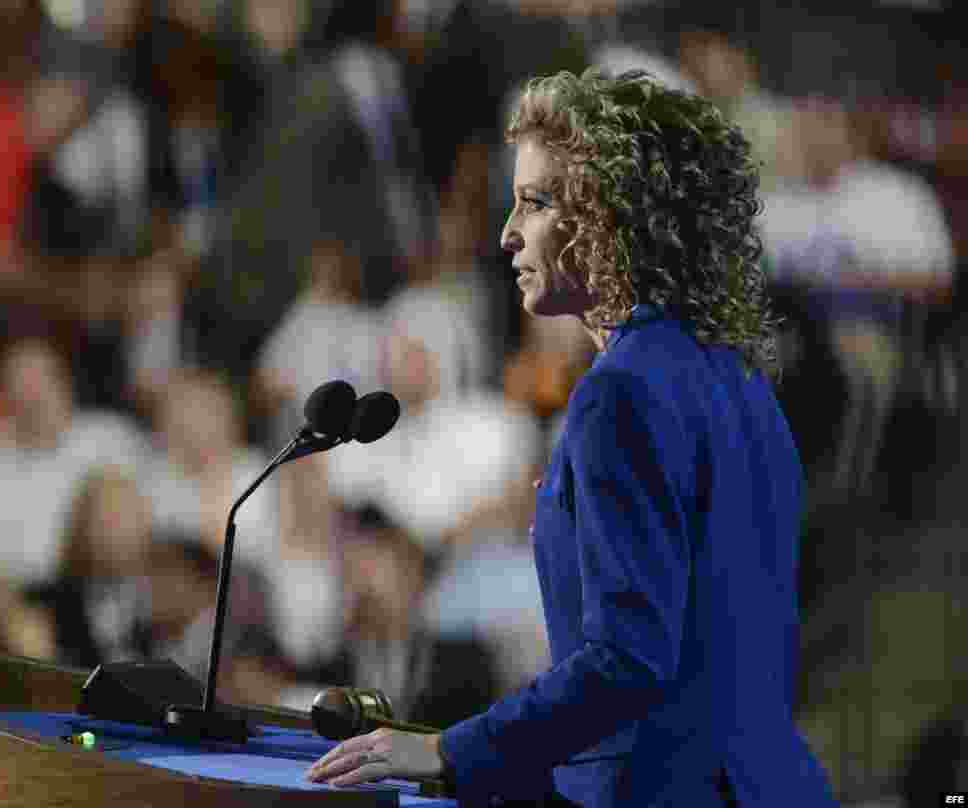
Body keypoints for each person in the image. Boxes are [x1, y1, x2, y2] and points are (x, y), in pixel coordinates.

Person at [306, 68, 839, 807]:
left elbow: (628, 660)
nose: (507, 233)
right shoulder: (739, 380)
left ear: (609, 214)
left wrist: (444, 748)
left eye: (536, 201)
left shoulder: (621, 392)